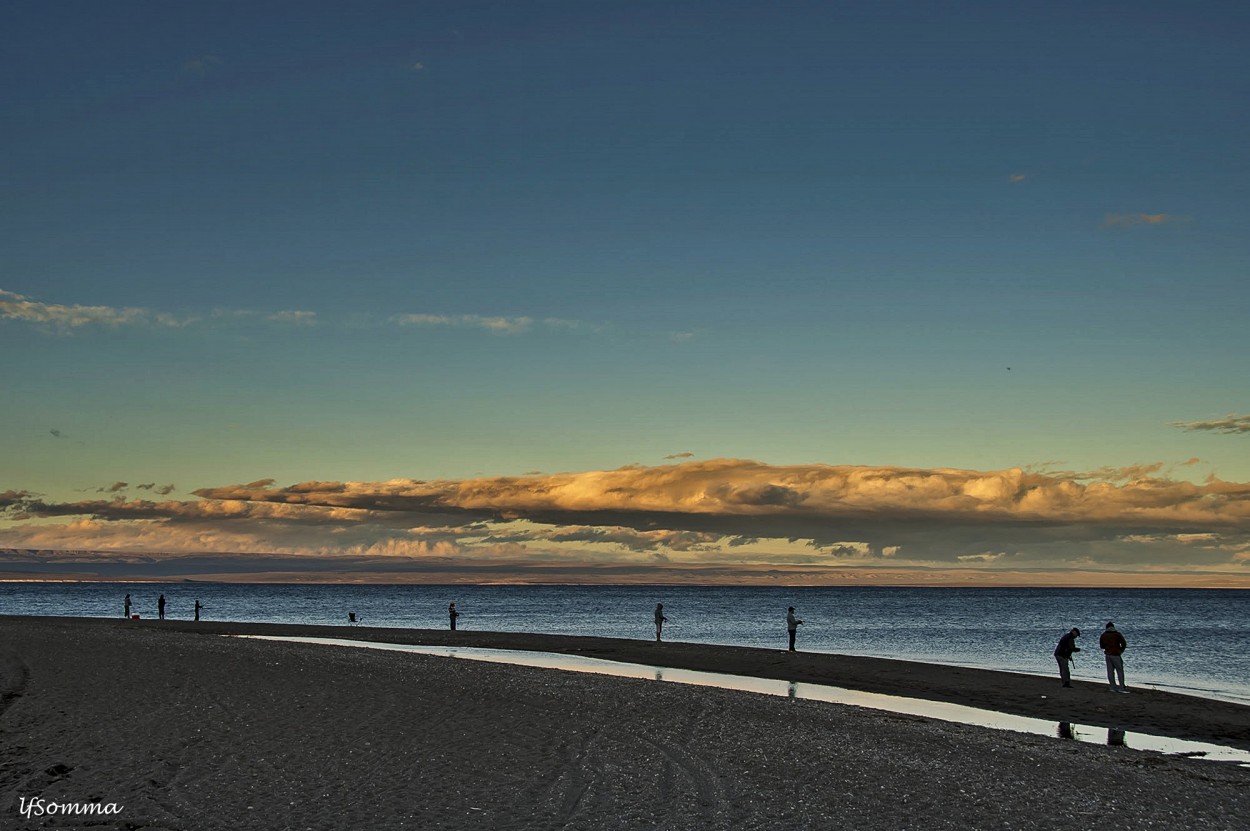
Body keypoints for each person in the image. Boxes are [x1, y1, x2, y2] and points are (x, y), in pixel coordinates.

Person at [1099, 621, 1129, 693]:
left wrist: (1107, 647)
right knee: (1120, 671)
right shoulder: (1117, 634)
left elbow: (1102, 646)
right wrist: (1121, 651)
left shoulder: (1103, 635)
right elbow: (1124, 644)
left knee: (1110, 672)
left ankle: (1112, 687)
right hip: (1116, 655)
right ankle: (1121, 687)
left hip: (1108, 655)